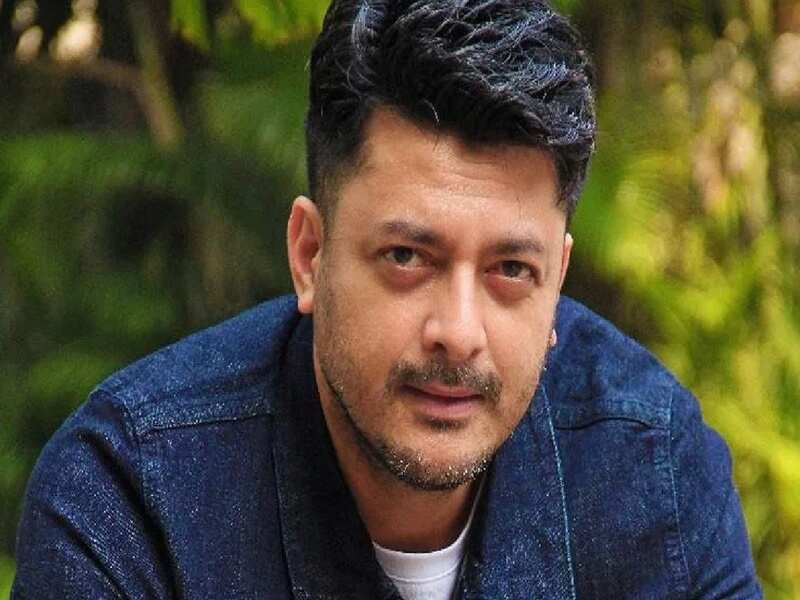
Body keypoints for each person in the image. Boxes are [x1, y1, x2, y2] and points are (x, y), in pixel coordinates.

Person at [13, 1, 761, 598]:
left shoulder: (654, 472)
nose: (459, 333)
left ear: (557, 280)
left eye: (510, 269)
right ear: (310, 255)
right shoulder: (132, 503)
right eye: (406, 257)